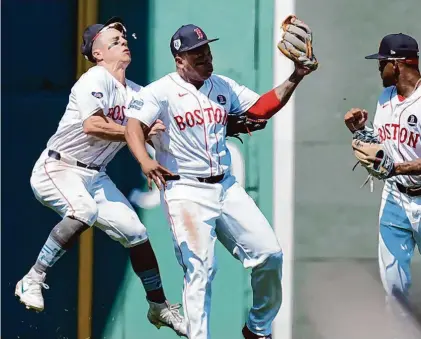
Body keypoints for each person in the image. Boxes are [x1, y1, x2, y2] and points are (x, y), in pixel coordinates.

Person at [124, 24, 316, 339]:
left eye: (206, 49)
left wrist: (296, 76)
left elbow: (260, 109)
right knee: (200, 270)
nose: (204, 56)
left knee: (269, 254)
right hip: (185, 190)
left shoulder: (222, 86)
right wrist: (145, 160)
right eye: (195, 52)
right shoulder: (159, 91)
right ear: (179, 59)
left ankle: (258, 327)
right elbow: (133, 126)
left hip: (225, 186)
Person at [15, 17, 187, 336]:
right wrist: (137, 132)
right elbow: (93, 126)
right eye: (113, 39)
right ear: (97, 53)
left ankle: (158, 306)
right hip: (59, 167)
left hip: (95, 176)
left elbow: (170, 120)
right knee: (84, 211)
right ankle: (33, 278)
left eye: (123, 37)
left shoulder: (135, 93)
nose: (123, 40)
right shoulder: (93, 78)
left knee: (136, 231)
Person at [344, 33, 421, 303]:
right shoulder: (385, 97)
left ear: (397, 64)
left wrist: (396, 169)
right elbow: (383, 149)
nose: (379, 68)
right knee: (394, 290)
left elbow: (392, 165)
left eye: (382, 63)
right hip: (395, 197)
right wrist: (361, 131)